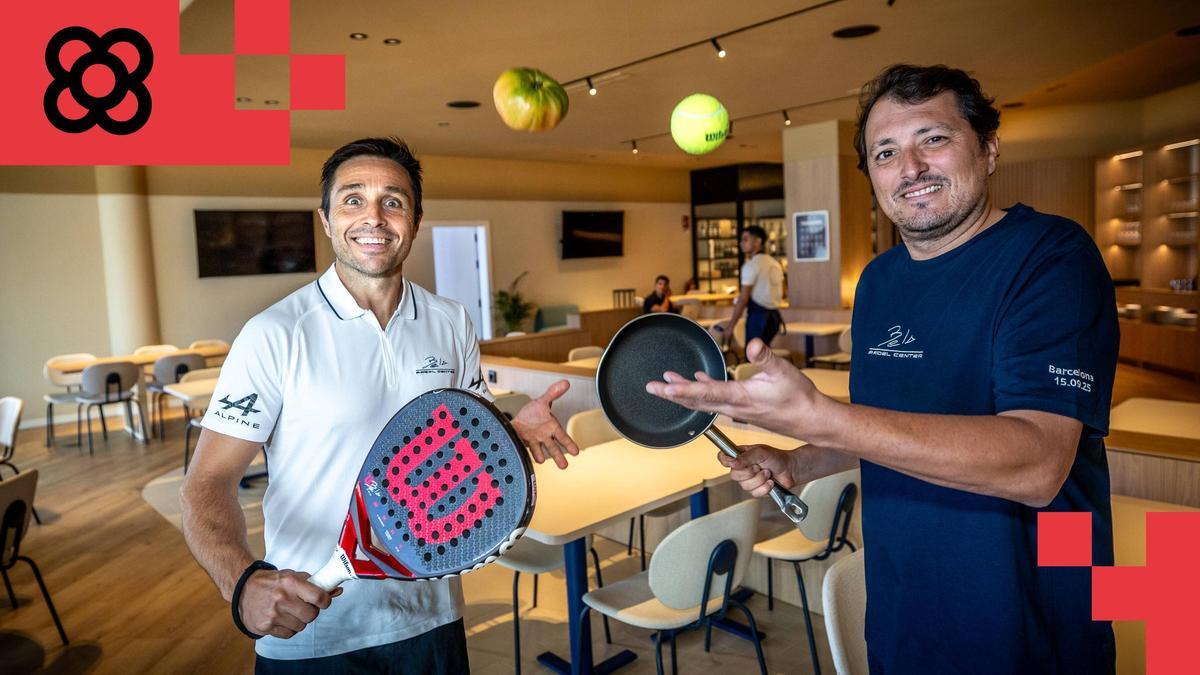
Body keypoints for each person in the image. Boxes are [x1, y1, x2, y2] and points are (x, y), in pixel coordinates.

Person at [648, 64, 1118, 674]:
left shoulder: (1053, 256)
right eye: (886, 152)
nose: (911, 167)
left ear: (989, 148)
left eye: (935, 139)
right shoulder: (879, 281)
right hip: (904, 611)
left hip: (1034, 622)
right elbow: (887, 430)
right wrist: (803, 459)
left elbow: (1038, 466)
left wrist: (824, 417)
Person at [180, 138, 580, 673]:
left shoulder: (450, 321)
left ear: (415, 221)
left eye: (393, 201)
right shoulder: (274, 334)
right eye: (352, 200)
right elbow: (207, 482)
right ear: (325, 219)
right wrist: (243, 581)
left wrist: (508, 431)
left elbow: (455, 448)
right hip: (316, 631)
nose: (373, 216)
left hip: (432, 615)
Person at [720, 225, 784, 352]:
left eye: (745, 239)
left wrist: (731, 326)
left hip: (759, 318)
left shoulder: (751, 266)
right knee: (765, 356)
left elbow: (743, 299)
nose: (741, 243)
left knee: (753, 356)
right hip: (774, 318)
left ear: (758, 241)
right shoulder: (775, 263)